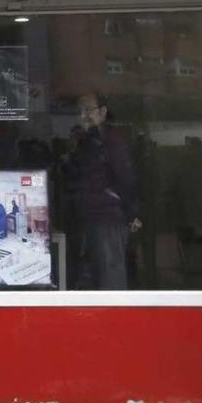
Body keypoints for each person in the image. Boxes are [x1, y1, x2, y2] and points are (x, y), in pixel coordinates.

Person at [62, 92, 141, 289]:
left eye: (88, 110)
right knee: (93, 280)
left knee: (110, 280)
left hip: (108, 219)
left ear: (103, 112)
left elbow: (125, 178)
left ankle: (118, 320)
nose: (83, 116)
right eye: (80, 112)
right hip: (88, 219)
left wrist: (132, 213)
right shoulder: (85, 141)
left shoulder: (111, 140)